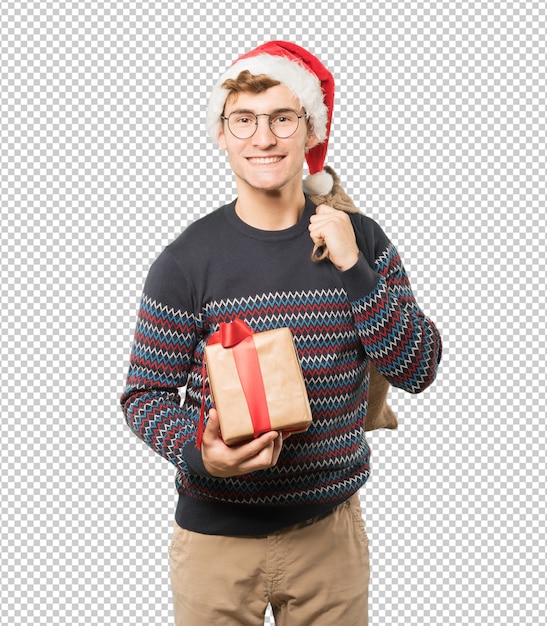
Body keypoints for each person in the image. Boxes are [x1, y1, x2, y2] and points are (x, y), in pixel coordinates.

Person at [121, 40, 442, 625]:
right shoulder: (186, 261)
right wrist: (202, 453)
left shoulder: (361, 241)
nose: (263, 138)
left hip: (330, 539)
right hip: (216, 544)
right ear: (221, 133)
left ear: (311, 132)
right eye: (243, 119)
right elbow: (143, 396)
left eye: (282, 118)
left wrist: (354, 269)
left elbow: (419, 368)